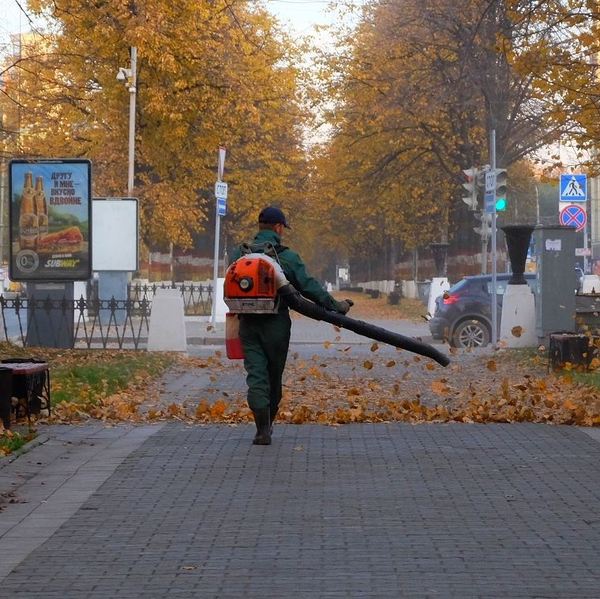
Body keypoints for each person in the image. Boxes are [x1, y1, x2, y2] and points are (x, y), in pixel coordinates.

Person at [230, 206, 352, 445]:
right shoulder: (286, 257)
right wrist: (336, 307)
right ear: (278, 227)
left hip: (248, 325)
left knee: (256, 376)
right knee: (273, 376)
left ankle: (261, 428)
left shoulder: (240, 254)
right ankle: (268, 426)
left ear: (259, 226)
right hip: (276, 326)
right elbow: (309, 287)